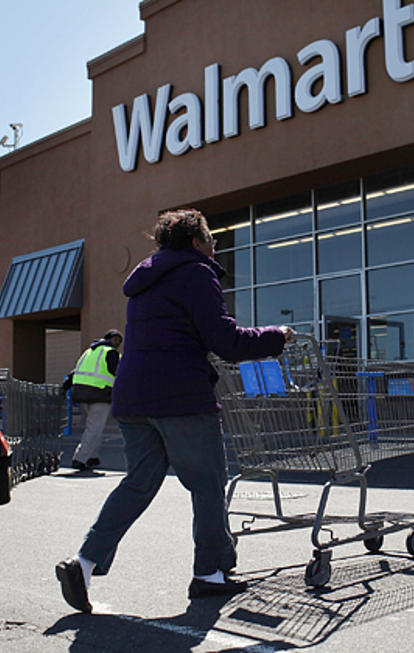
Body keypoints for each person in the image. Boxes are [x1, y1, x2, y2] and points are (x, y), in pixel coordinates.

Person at [55, 208, 293, 613]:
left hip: (133, 397)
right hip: (180, 396)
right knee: (207, 483)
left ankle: (84, 562)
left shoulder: (146, 279)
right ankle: (210, 574)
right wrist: (275, 336)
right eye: (212, 239)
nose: (215, 246)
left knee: (138, 482)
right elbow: (225, 339)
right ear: (197, 241)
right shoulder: (197, 273)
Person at [68, 329, 123, 471]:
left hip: (82, 393)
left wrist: (65, 387)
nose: (117, 343)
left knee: (94, 427)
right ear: (109, 339)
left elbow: (75, 371)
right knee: (95, 428)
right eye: (116, 340)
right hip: (100, 393)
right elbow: (116, 372)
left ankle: (92, 456)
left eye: (119, 341)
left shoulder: (89, 352)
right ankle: (80, 458)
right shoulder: (111, 353)